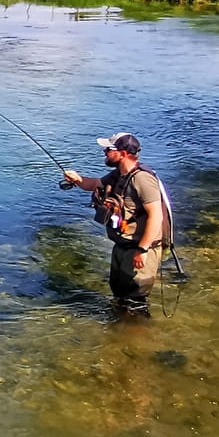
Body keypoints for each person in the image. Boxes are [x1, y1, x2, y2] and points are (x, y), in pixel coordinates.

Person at [62, 132, 170, 316]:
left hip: (140, 249)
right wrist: (77, 179)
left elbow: (156, 216)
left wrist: (142, 250)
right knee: (120, 297)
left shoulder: (143, 179)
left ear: (123, 152)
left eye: (109, 149)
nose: (105, 152)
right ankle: (120, 336)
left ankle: (140, 338)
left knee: (135, 301)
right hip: (122, 246)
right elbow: (95, 184)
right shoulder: (117, 175)